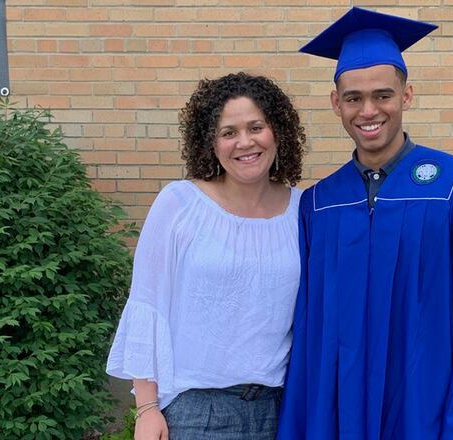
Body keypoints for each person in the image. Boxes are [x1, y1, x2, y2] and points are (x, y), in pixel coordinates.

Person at [277, 7, 453, 439]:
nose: (368, 110)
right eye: (353, 98)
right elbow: (311, 339)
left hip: (430, 408)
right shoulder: (319, 205)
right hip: (344, 413)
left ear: (406, 95)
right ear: (336, 103)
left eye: (383, 95)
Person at [106, 72, 306, 440]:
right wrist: (147, 409)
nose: (244, 142)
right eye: (228, 132)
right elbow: (148, 304)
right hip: (198, 413)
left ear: (277, 131)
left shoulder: (302, 210)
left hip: (281, 409)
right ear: (210, 143)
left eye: (256, 127)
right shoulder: (180, 204)